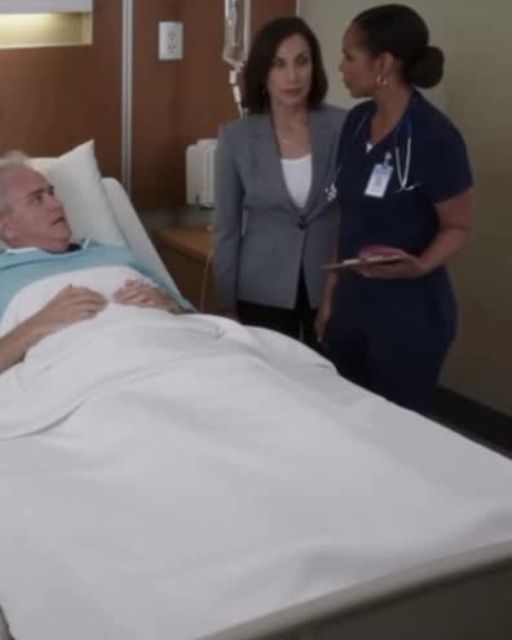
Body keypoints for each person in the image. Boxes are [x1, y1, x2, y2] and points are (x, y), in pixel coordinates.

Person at [316, 4, 473, 412]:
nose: (341, 67)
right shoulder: (356, 123)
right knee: (346, 420)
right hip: (352, 308)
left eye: (349, 56)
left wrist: (421, 265)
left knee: (395, 430)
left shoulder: (435, 137)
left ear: (383, 63)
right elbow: (349, 217)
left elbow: (458, 226)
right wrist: (330, 297)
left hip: (409, 316)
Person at [214, 16, 346, 347]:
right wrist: (225, 305)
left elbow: (356, 213)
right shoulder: (236, 138)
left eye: (302, 62)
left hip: (330, 285)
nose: (293, 77)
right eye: (279, 64)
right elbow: (227, 229)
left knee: (332, 375)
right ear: (263, 73)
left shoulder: (344, 126)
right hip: (261, 288)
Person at [0, 154, 187, 374]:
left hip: (178, 352)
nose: (57, 204)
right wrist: (39, 324)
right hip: (93, 373)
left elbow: (194, 318)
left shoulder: (115, 255)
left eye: (51, 193)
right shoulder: (5, 275)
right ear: (6, 228)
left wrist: (171, 305)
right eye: (36, 199)